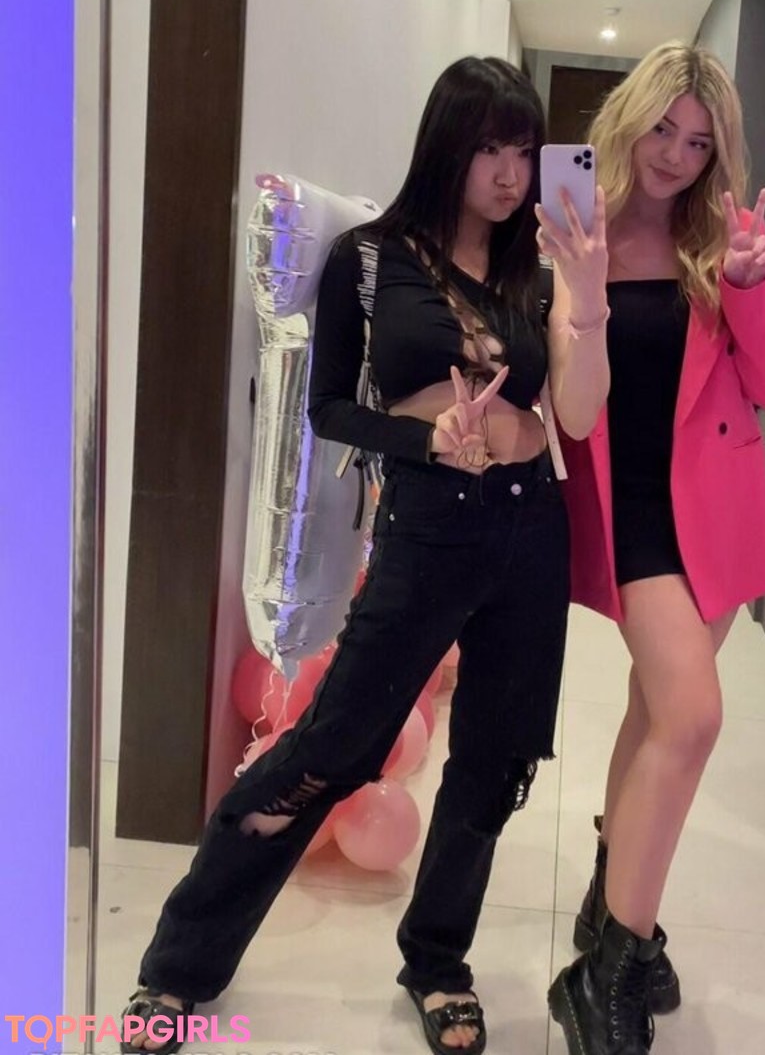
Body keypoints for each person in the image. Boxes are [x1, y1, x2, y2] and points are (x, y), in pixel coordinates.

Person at [118, 55, 606, 1055]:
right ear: (447, 145)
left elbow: (576, 413)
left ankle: (437, 962)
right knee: (327, 748)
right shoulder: (372, 258)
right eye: (489, 148)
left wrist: (589, 290)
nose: (510, 174)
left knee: (493, 760)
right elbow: (332, 406)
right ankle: (179, 967)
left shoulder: (538, 267)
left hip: (529, 528)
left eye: (524, 152)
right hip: (430, 523)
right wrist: (425, 438)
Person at [539, 42, 765, 1055]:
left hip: (714, 513)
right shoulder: (578, 228)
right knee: (692, 715)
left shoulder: (717, 239)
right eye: (663, 128)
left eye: (699, 142)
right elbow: (575, 411)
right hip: (633, 513)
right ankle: (604, 974)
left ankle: (614, 915)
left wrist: (750, 284)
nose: (676, 155)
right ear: (630, 117)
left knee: (656, 713)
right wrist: (587, 293)